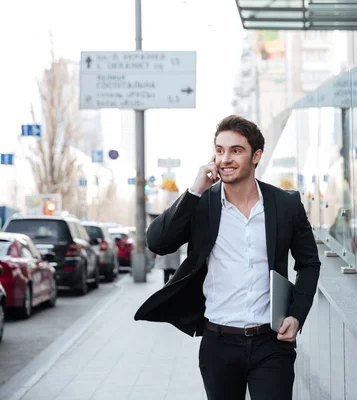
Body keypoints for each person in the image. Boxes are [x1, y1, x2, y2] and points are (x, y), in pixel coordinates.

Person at [134, 115, 321, 400]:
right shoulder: (201, 204)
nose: (225, 159)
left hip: (271, 344)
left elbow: (309, 264)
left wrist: (296, 315)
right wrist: (195, 190)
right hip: (218, 342)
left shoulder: (285, 205)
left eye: (236, 150)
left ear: (256, 156)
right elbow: (158, 241)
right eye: (219, 150)